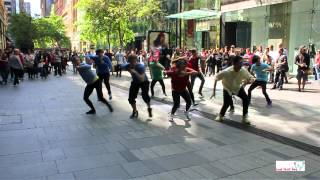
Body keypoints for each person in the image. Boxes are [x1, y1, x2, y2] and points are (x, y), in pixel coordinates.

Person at [212, 56, 255, 124]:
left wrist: (250, 81)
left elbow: (251, 77)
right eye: (240, 63)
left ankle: (245, 118)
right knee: (226, 104)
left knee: (246, 99)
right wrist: (213, 91)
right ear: (234, 63)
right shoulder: (226, 71)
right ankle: (220, 116)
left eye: (242, 63)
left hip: (237, 88)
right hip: (227, 88)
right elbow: (216, 78)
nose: (241, 65)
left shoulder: (243, 70)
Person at [122, 54, 152, 119]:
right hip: (135, 82)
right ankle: (135, 111)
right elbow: (121, 66)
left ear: (136, 60)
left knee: (145, 96)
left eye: (134, 62)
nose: (132, 64)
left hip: (144, 82)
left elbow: (142, 78)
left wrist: (135, 72)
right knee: (131, 98)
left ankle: (149, 108)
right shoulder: (128, 66)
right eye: (130, 62)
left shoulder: (140, 66)